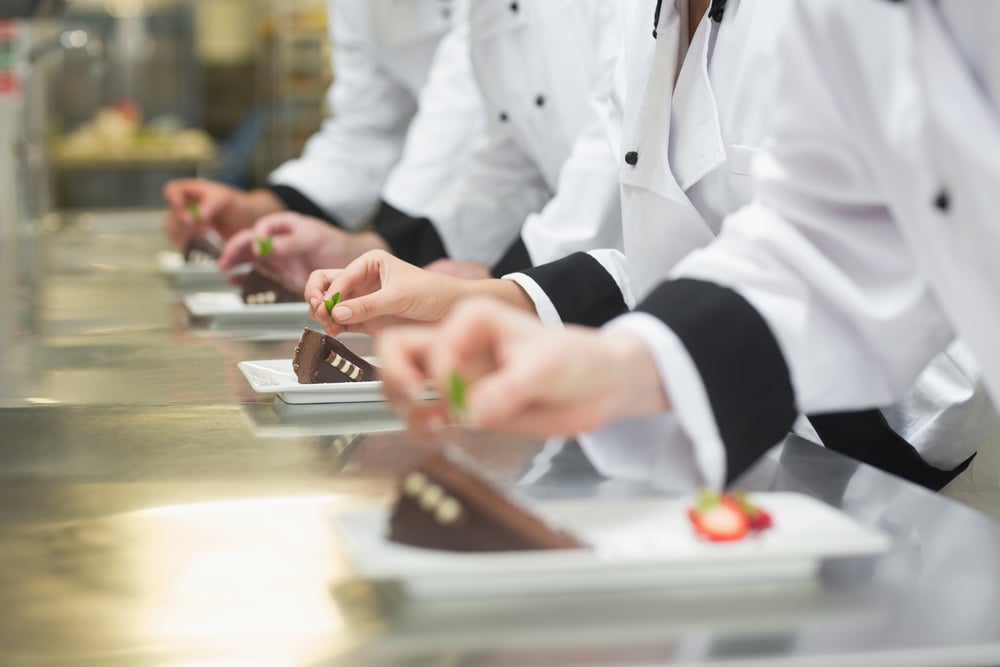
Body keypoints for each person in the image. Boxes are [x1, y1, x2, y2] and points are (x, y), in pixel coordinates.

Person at [366, 0, 1000, 495]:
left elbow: (932, 352)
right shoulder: (646, 20)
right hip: (781, 469)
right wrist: (569, 334)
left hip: (913, 485)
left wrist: (643, 368)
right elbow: (818, 244)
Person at [216, 0, 625, 283]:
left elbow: (615, 155)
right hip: (569, 256)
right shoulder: (487, 12)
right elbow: (508, 162)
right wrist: (376, 249)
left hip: (629, 269)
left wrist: (510, 287)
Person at [163, 0, 483, 261]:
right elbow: (366, 131)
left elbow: (465, 121)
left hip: (495, 232)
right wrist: (261, 210)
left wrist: (383, 247)